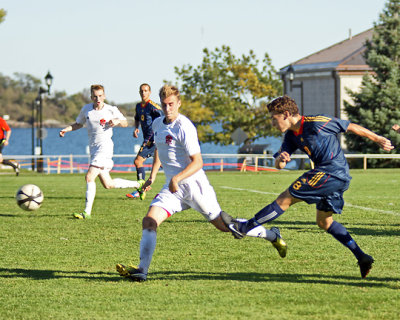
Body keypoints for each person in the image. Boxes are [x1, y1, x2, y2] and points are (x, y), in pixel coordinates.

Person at [116, 85, 286, 282]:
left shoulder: (184, 127)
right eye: (164, 104)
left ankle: (272, 235)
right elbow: (160, 151)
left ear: (179, 103)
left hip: (195, 186)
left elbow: (198, 162)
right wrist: (153, 176)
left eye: (172, 104)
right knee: (149, 221)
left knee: (226, 227)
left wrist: (177, 178)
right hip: (173, 189)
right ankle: (142, 270)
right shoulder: (157, 124)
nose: (168, 108)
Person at [221, 95, 394, 279]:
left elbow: (349, 126)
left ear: (286, 114)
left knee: (285, 199)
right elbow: (279, 165)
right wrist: (282, 159)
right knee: (324, 222)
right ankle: (362, 257)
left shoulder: (316, 122)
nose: (273, 123)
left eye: (274, 118)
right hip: (334, 177)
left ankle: (245, 228)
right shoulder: (290, 136)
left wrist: (378, 139)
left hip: (331, 172)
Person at [59, 84, 144, 219]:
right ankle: (138, 184)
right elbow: (79, 124)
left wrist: (117, 121)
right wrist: (66, 129)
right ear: (91, 97)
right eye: (95, 96)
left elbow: (125, 123)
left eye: (100, 96)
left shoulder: (111, 109)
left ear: (104, 96)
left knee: (89, 177)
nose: (98, 98)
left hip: (105, 149)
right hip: (94, 149)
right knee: (108, 184)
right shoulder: (86, 110)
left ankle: (86, 212)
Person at [126, 83, 163, 200]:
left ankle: (140, 189)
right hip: (147, 139)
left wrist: (157, 135)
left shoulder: (153, 106)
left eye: (146, 91)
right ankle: (143, 188)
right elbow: (137, 118)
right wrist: (136, 128)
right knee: (164, 165)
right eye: (142, 91)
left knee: (138, 161)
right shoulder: (138, 106)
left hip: (152, 140)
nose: (143, 93)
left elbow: (163, 118)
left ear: (149, 92)